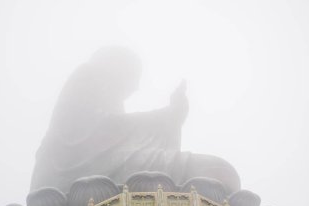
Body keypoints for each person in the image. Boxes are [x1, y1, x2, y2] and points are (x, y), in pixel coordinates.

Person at [30, 46, 240, 194]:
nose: (136, 87)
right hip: (76, 176)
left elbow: (120, 137)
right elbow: (95, 134)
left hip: (114, 165)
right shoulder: (87, 77)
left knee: (222, 173)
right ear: (117, 67)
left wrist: (172, 119)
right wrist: (168, 116)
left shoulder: (111, 100)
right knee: (219, 172)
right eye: (133, 78)